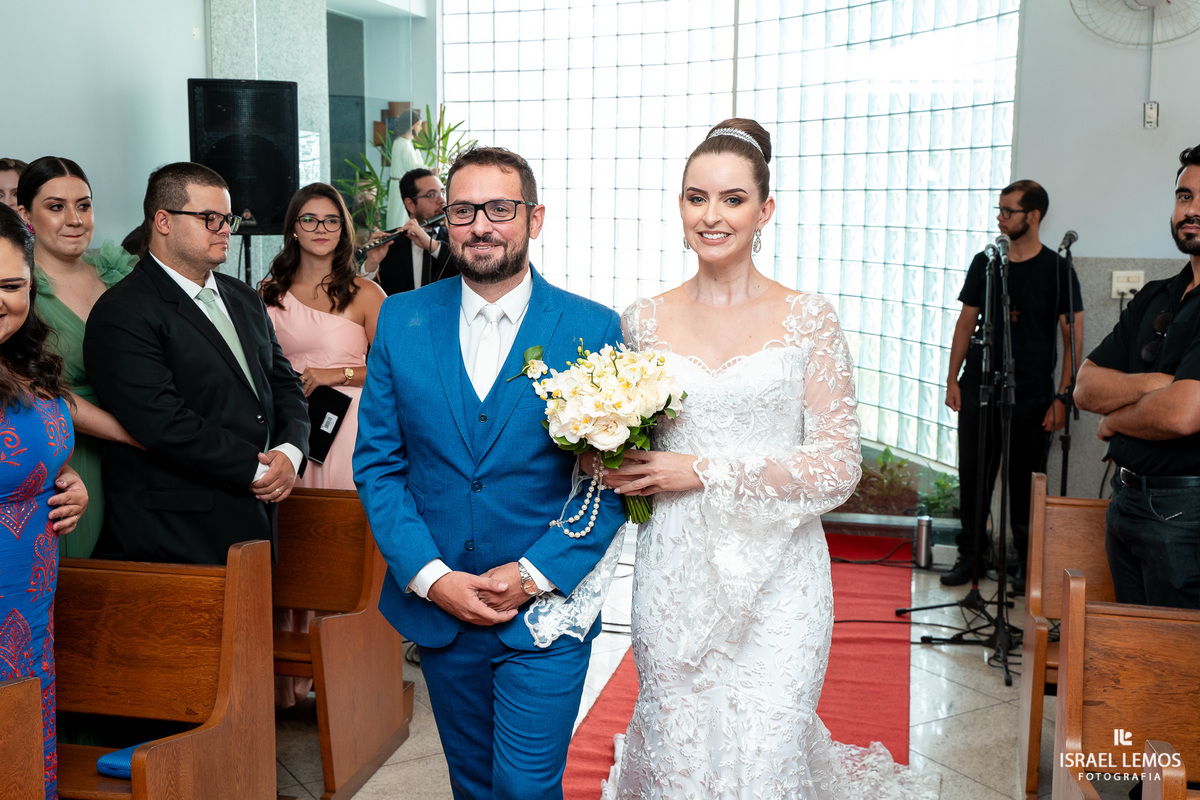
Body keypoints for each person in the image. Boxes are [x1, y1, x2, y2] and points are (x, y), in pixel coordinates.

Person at [604, 119, 936, 799]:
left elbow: (838, 464)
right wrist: (601, 454)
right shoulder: (641, 322)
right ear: (680, 207)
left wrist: (701, 469)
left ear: (765, 211)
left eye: (733, 199)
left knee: (766, 754)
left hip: (782, 574)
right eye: (697, 197)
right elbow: (627, 447)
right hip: (675, 572)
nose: (712, 215)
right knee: (680, 747)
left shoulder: (809, 318)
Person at [354, 145, 626, 800]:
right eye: (463, 210)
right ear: (444, 220)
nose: (481, 226)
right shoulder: (400, 319)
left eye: (500, 208)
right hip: (443, 607)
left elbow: (611, 481)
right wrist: (433, 578)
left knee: (525, 788)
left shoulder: (592, 328)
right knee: (473, 785)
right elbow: (379, 466)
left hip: (547, 609)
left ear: (535, 217)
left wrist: (533, 574)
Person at [82, 162, 309, 565]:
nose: (225, 229)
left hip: (259, 513)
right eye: (210, 218)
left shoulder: (244, 296)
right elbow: (162, 422)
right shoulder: (123, 310)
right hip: (178, 527)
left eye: (227, 218)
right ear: (164, 221)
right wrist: (257, 469)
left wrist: (291, 451)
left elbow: (283, 382)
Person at [942, 180, 1084, 592]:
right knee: (974, 478)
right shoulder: (986, 264)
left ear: (1033, 217)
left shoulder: (1057, 270)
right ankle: (971, 558)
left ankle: (1025, 564)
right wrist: (952, 379)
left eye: (1008, 211)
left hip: (1032, 395)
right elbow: (966, 323)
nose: (1000, 218)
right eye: (999, 210)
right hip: (979, 388)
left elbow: (1073, 337)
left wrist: (1062, 397)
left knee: (1026, 484)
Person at [1075, 143, 1200, 609]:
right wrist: (1155, 384)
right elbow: (1085, 387)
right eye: (1184, 196)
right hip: (1125, 501)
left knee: (1175, 652)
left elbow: (1182, 414)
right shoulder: (1154, 296)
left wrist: (1114, 420)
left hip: (1186, 513)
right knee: (1130, 644)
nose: (1191, 210)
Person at [0, 202, 90, 800]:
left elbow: (26, 451)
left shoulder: (20, 358)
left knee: (23, 754)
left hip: (29, 605)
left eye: (11, 285)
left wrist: (65, 478)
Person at [16, 156, 141, 558]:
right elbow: (39, 389)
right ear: (25, 215)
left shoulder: (118, 275)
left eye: (83, 205)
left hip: (138, 452)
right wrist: (137, 435)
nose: (74, 219)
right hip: (70, 454)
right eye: (56, 207)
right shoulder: (18, 292)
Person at [261, 182, 385, 490]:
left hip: (349, 427)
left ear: (342, 230)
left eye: (331, 220)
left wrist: (337, 374)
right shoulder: (268, 293)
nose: (321, 228)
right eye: (309, 219)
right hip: (288, 425)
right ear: (294, 228)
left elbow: (396, 371)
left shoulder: (367, 294)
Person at [372, 167, 458, 294]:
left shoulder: (457, 236)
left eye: (442, 192)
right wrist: (371, 264)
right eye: (432, 195)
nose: (442, 200)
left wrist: (433, 246)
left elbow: (467, 271)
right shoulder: (389, 244)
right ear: (410, 205)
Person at [385, 108, 427, 230]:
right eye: (419, 125)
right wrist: (431, 170)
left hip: (399, 185)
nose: (420, 128)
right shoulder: (404, 144)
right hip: (401, 186)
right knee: (399, 218)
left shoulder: (402, 142)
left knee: (399, 216)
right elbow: (413, 168)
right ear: (412, 125)